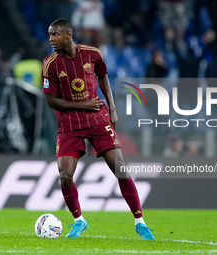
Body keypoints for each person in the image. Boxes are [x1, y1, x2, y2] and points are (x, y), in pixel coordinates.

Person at [41, 18, 155, 240]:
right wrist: (83, 104)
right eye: (50, 34)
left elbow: (103, 77)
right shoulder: (50, 64)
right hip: (69, 125)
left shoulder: (92, 54)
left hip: (97, 119)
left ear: (68, 35)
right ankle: (79, 220)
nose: (51, 39)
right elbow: (51, 101)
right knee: (65, 176)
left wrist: (112, 108)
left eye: (55, 34)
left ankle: (140, 222)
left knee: (120, 169)